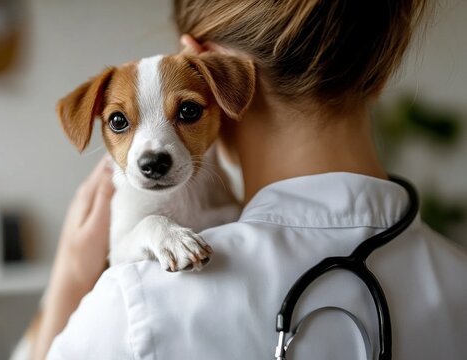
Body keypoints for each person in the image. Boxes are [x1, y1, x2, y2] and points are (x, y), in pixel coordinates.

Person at [34, 0, 467, 359]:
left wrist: (69, 283)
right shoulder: (458, 275)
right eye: (121, 122)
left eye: (186, 111)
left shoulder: (133, 303)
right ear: (378, 75)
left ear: (206, 61)